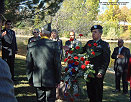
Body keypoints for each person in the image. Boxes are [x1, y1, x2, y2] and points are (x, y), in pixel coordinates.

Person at [26, 24, 61, 102]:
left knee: (40, 99)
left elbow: (29, 64)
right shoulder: (54, 45)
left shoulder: (32, 44)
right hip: (50, 79)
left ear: (41, 33)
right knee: (50, 99)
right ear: (50, 34)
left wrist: (30, 78)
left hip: (38, 79)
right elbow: (57, 64)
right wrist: (58, 79)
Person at [81, 25, 110, 102]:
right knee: (90, 92)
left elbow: (106, 60)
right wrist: (71, 49)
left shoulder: (104, 45)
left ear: (100, 34)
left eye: (95, 32)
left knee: (97, 92)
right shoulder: (89, 42)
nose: (93, 34)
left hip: (98, 73)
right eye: (92, 32)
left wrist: (101, 71)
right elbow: (82, 50)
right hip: (89, 72)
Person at [0, 18, 17, 102]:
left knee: (12, 65)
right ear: (5, 25)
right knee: (6, 65)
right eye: (8, 24)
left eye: (10, 24)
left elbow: (15, 41)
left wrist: (16, 49)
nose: (9, 26)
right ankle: (6, 78)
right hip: (6, 51)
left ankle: (12, 79)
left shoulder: (13, 32)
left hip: (12, 51)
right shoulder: (2, 32)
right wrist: (1, 36)